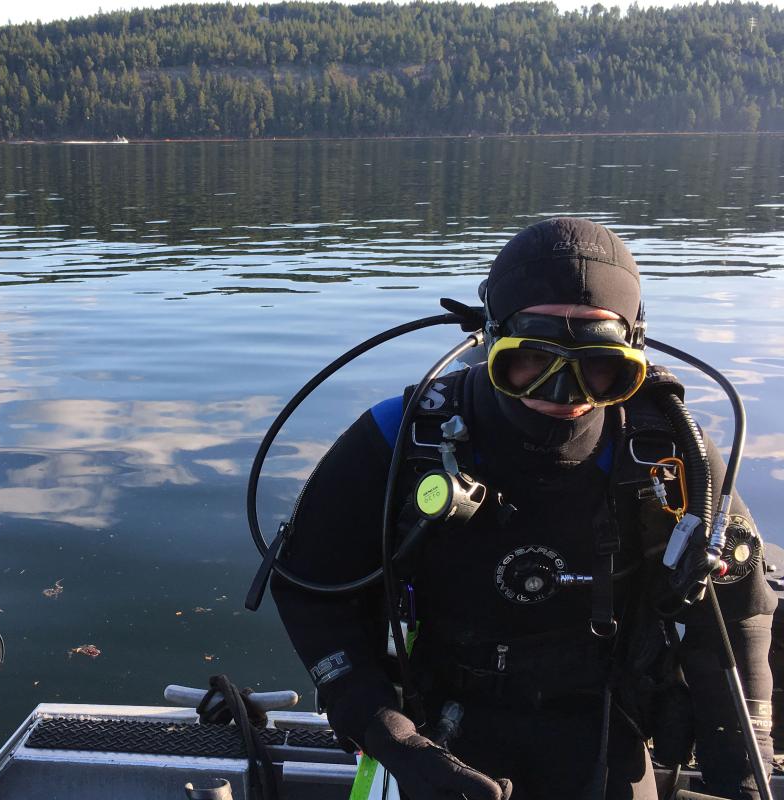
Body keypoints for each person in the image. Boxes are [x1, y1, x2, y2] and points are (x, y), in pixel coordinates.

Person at [271, 217, 775, 800]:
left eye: (597, 364)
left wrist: (741, 761)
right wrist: (386, 734)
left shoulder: (670, 453)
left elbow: (739, 610)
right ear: (490, 341)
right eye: (533, 359)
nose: (564, 393)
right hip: (439, 724)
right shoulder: (403, 436)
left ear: (632, 352)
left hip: (609, 719)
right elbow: (309, 588)